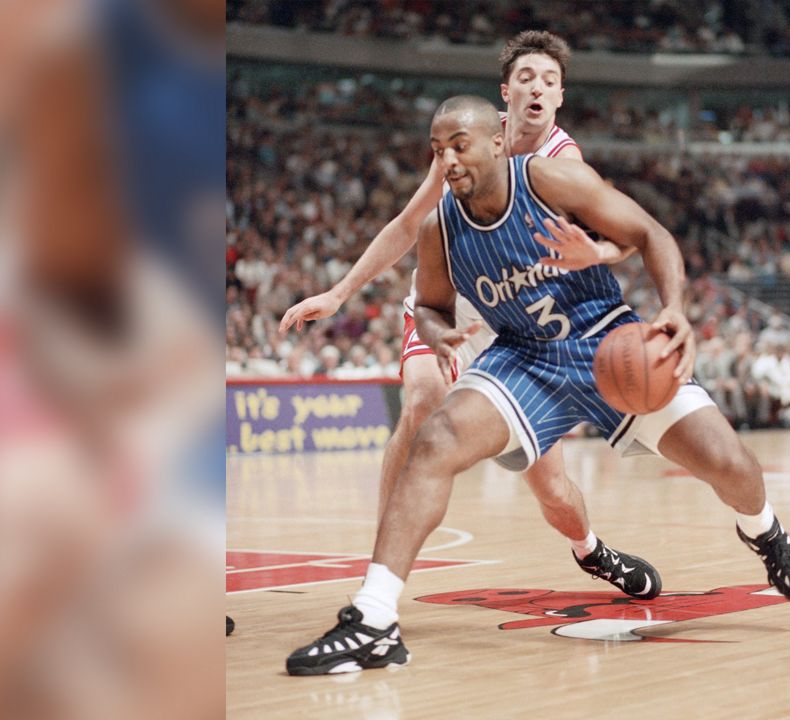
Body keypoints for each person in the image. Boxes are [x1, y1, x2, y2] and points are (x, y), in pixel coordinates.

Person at [285, 96, 790, 676]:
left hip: (606, 344)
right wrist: (437, 333)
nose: (448, 161)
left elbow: (651, 232)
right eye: (438, 151)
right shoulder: (441, 224)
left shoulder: (547, 179)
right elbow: (433, 305)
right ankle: (373, 618)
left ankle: (763, 532)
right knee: (434, 438)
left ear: (497, 141)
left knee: (730, 463)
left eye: (459, 146)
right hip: (524, 359)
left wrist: (674, 309)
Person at [280, 31, 657, 601]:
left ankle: (590, 548)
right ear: (505, 94)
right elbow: (410, 224)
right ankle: (380, 575)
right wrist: (339, 293)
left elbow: (612, 240)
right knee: (423, 400)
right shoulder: (465, 145)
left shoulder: (563, 161)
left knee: (552, 488)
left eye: (550, 81)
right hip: (446, 305)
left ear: (558, 99)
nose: (538, 88)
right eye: (527, 78)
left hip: (516, 328)